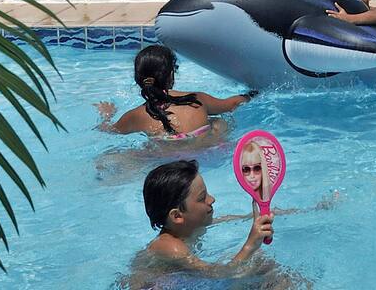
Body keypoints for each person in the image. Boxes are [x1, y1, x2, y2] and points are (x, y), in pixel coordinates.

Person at [128, 159, 280, 289]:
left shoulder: (189, 226)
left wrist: (270, 213)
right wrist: (250, 245)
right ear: (177, 216)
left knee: (264, 266)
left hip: (179, 281)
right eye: (202, 198)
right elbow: (218, 275)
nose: (211, 199)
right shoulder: (169, 246)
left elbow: (228, 219)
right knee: (259, 265)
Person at [96, 45, 255, 143]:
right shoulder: (197, 99)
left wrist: (107, 115)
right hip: (207, 150)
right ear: (171, 75)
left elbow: (107, 130)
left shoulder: (135, 116)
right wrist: (251, 94)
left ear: (139, 79)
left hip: (164, 158)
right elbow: (232, 104)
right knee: (219, 122)